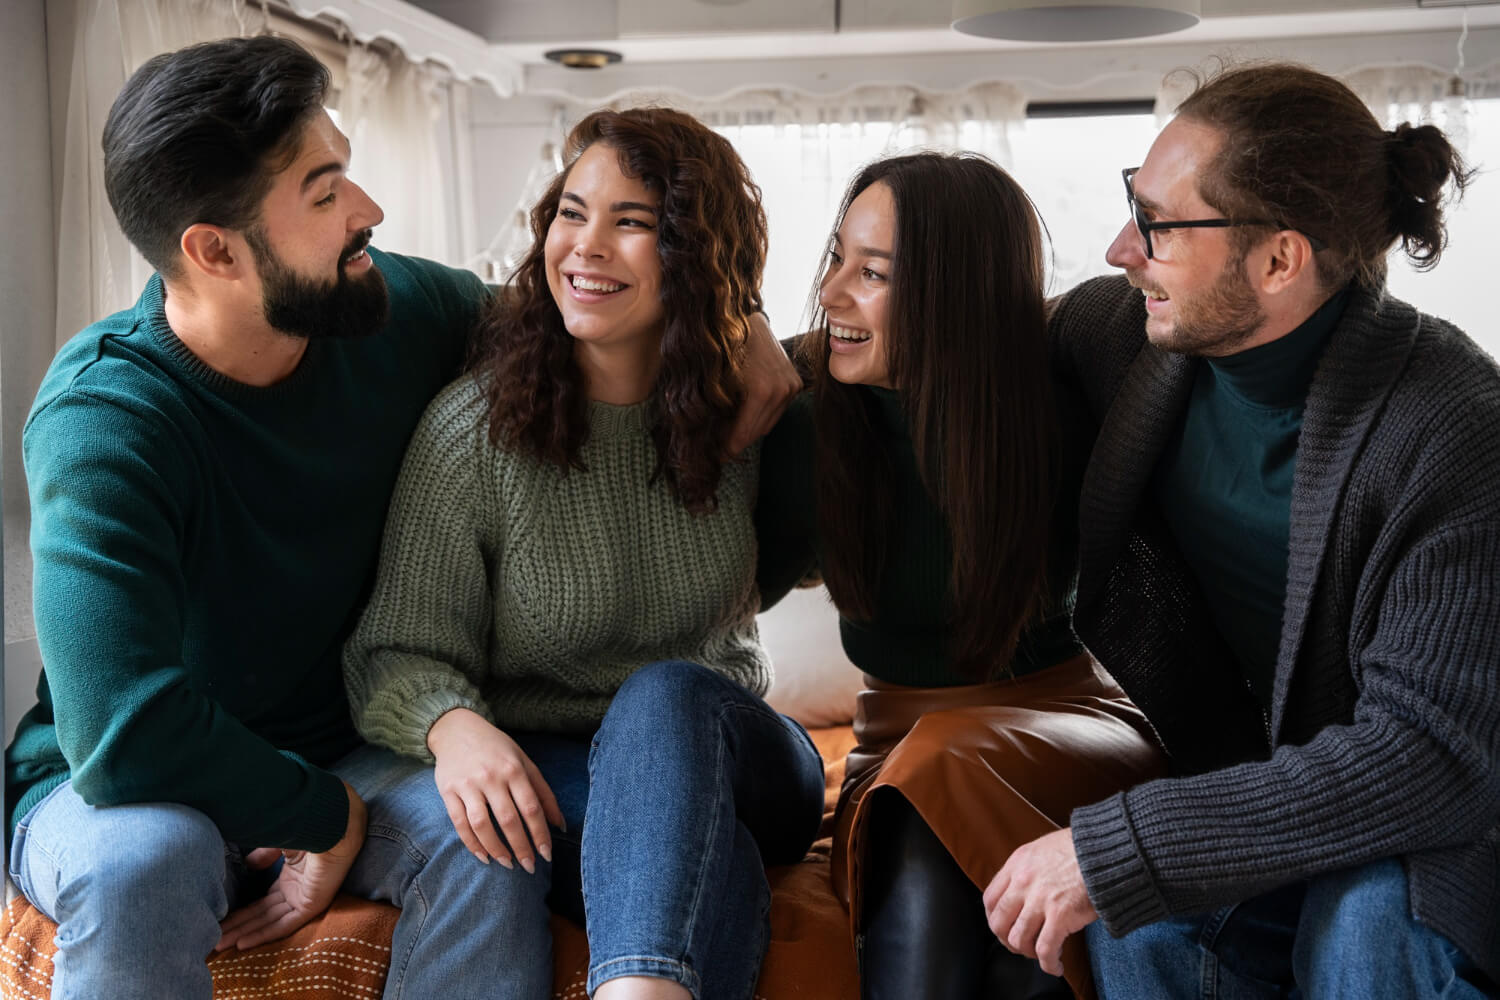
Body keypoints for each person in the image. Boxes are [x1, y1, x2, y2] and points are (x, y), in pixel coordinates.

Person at [3, 36, 798, 1000]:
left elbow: (590, 300)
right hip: (136, 783)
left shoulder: (392, 308)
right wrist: (323, 815)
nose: (368, 211)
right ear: (214, 251)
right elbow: (121, 733)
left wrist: (742, 323)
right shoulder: (106, 419)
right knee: (145, 863)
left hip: (354, 752)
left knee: (494, 846)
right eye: (326, 189)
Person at [982, 62, 1500, 999]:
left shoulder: (1451, 424)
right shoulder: (1129, 338)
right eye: (1131, 206)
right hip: (1268, 814)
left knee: (1364, 921)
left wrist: (1124, 846)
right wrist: (771, 363)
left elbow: (1430, 757)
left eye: (1158, 226)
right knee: (1141, 929)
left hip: (1437, 833)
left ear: (1277, 261)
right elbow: (952, 341)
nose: (1117, 250)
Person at [341, 106, 826, 1000]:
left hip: (743, 754)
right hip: (561, 767)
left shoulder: (754, 414)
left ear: (695, 253)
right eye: (572, 212)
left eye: (632, 222)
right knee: (704, 862)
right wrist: (456, 729)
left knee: (668, 692)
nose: (588, 246)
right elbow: (396, 649)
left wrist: (753, 325)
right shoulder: (474, 435)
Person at [754, 152, 1165, 999]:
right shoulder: (805, 419)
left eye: (872, 273)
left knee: (941, 766)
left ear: (959, 294)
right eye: (837, 258)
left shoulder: (1066, 406)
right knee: (956, 862)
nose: (831, 292)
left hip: (1070, 727)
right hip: (893, 750)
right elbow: (724, 594)